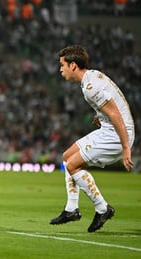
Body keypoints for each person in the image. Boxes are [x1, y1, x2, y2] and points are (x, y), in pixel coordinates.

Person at [50, 45, 135, 232]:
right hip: (109, 128)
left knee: (72, 165)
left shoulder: (90, 87)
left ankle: (102, 208)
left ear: (73, 65)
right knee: (67, 156)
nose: (60, 69)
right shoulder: (90, 77)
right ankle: (71, 209)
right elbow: (113, 107)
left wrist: (126, 147)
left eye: (62, 65)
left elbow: (116, 115)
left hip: (117, 134)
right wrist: (101, 116)